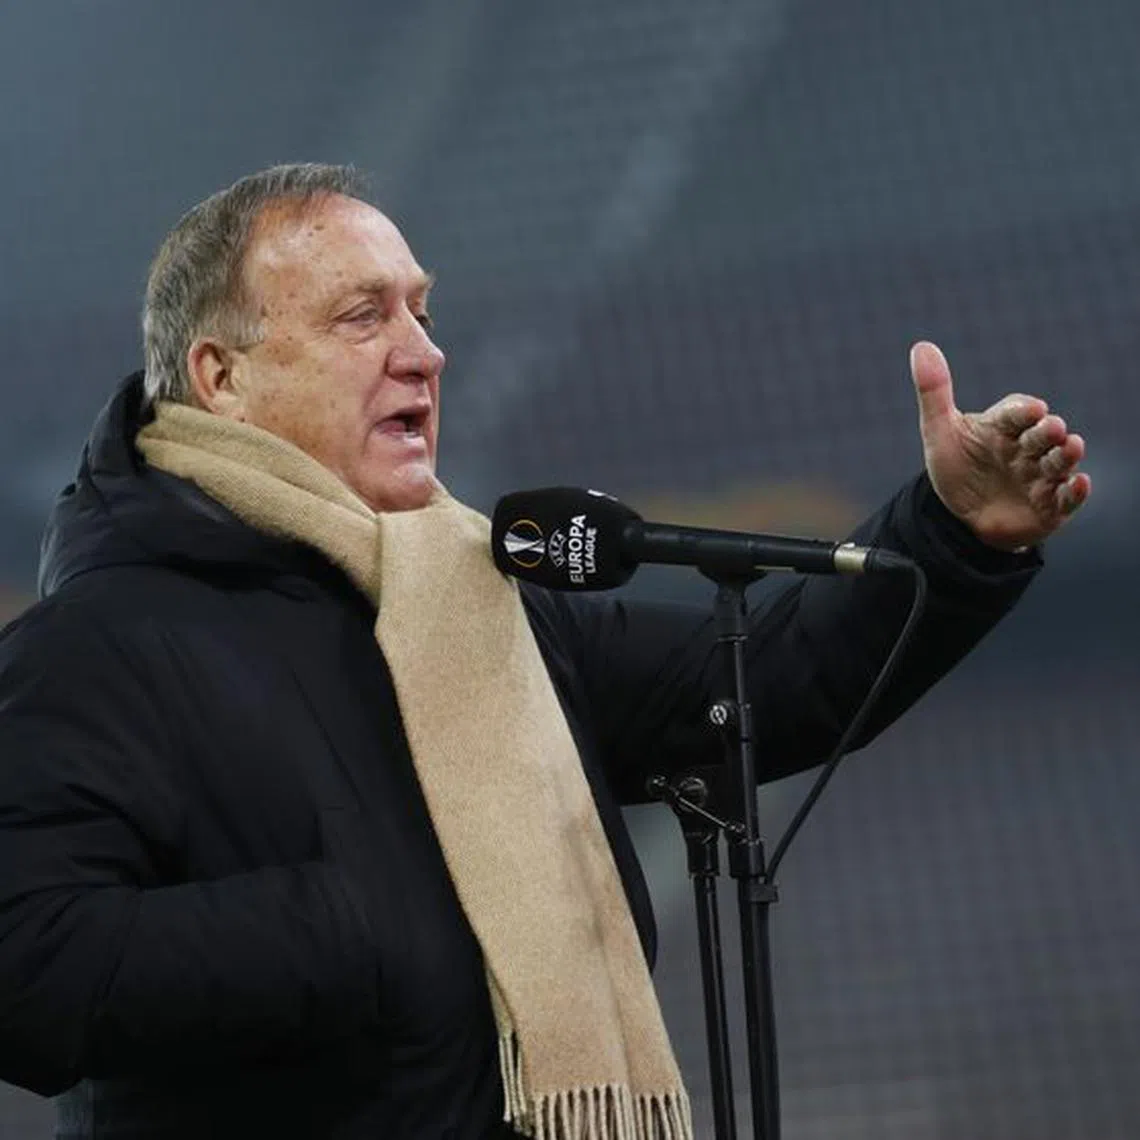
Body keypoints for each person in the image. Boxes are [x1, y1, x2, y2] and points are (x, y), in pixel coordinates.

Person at [0, 164, 1089, 1140]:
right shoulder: (96, 650)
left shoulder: (485, 598)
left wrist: (949, 533)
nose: (424, 352)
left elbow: (759, 685)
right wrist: (369, 923)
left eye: (422, 312)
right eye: (360, 316)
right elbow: (31, 971)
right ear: (220, 377)